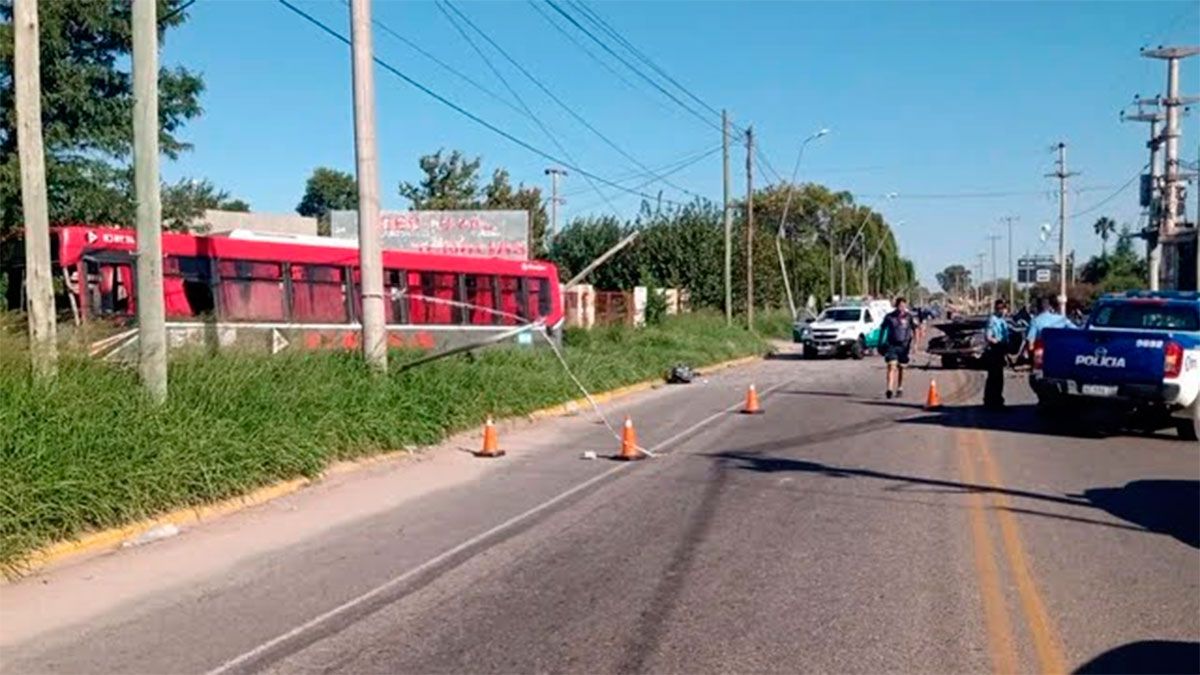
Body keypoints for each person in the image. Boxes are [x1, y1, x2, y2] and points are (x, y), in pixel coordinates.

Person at [879, 296, 919, 399]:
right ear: (896, 306)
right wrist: (880, 342)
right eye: (900, 305)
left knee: (902, 368)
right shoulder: (889, 317)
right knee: (891, 366)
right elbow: (882, 329)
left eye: (903, 305)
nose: (902, 307)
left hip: (904, 346)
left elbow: (915, 330)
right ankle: (889, 389)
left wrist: (915, 344)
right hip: (892, 345)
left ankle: (900, 387)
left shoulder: (909, 317)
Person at [983, 298, 1010, 410]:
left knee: (999, 377)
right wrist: (997, 343)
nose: (1002, 310)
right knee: (994, 377)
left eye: (1003, 308)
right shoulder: (993, 320)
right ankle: (991, 401)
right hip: (995, 350)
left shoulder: (1002, 321)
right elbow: (988, 337)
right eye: (1000, 308)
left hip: (1001, 350)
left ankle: (997, 400)